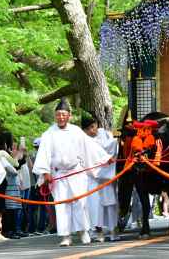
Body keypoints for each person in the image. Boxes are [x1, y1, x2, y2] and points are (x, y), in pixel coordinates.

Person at [32, 98, 114, 247]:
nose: (61, 117)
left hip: (76, 172)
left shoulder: (76, 131)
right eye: (58, 114)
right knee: (62, 205)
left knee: (80, 202)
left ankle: (83, 231)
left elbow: (90, 147)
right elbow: (43, 154)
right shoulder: (49, 134)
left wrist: (105, 158)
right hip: (59, 174)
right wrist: (45, 173)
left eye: (64, 114)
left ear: (69, 115)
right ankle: (66, 236)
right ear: (55, 116)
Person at [82, 114, 120, 242]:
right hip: (92, 177)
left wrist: (117, 140)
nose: (93, 130)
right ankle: (99, 231)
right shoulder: (83, 140)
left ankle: (113, 230)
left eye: (94, 126)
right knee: (94, 205)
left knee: (110, 204)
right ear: (84, 130)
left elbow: (112, 146)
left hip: (107, 176)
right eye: (89, 128)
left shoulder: (106, 134)